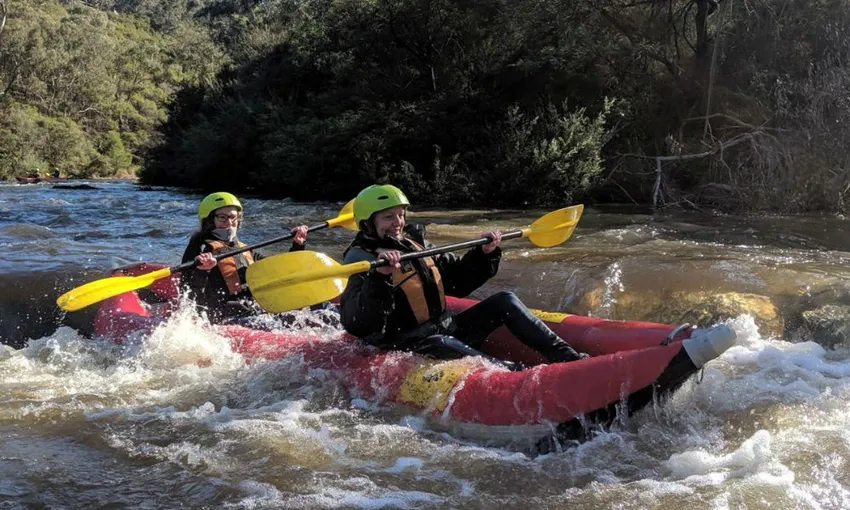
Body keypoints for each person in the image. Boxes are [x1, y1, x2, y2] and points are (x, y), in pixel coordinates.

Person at [338, 184, 588, 368]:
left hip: (446, 327)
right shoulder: (359, 262)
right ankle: (516, 375)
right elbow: (359, 324)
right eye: (388, 216)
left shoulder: (414, 244)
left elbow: (456, 281)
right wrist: (380, 277)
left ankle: (568, 358)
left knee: (505, 300)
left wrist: (483, 253)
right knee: (440, 343)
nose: (398, 222)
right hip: (408, 345)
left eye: (401, 214)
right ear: (367, 224)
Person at [181, 192, 309, 323]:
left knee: (313, 311)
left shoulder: (244, 248)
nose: (229, 223)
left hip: (252, 309)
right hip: (226, 316)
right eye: (222, 217)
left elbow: (277, 269)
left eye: (233, 217)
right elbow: (187, 290)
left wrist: (298, 244)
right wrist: (203, 270)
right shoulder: (200, 248)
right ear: (209, 221)